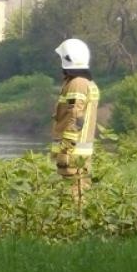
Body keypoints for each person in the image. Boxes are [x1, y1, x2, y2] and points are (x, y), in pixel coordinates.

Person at [51, 38, 100, 204]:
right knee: (79, 192)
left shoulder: (77, 83)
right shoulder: (86, 82)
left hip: (73, 151)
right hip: (81, 150)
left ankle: (76, 227)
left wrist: (66, 147)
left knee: (72, 196)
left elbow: (75, 115)